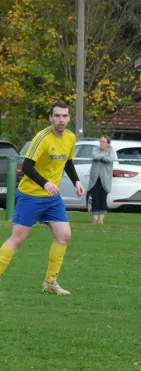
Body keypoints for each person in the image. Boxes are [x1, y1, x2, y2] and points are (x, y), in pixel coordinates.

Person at [0, 102, 85, 295]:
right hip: (31, 195)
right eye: (57, 116)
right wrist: (45, 183)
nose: (61, 120)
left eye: (64, 116)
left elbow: (68, 162)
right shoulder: (42, 138)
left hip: (52, 198)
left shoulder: (71, 138)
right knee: (17, 239)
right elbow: (27, 167)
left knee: (64, 235)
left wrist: (76, 182)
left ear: (69, 118)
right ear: (50, 118)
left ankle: (50, 283)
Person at [87, 136, 114, 224]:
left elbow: (110, 159)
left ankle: (101, 220)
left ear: (108, 144)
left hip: (105, 179)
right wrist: (103, 155)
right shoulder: (95, 149)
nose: (101, 143)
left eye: (104, 141)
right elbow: (95, 157)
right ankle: (95, 219)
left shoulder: (111, 150)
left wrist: (101, 156)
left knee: (103, 198)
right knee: (95, 199)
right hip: (95, 179)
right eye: (100, 141)